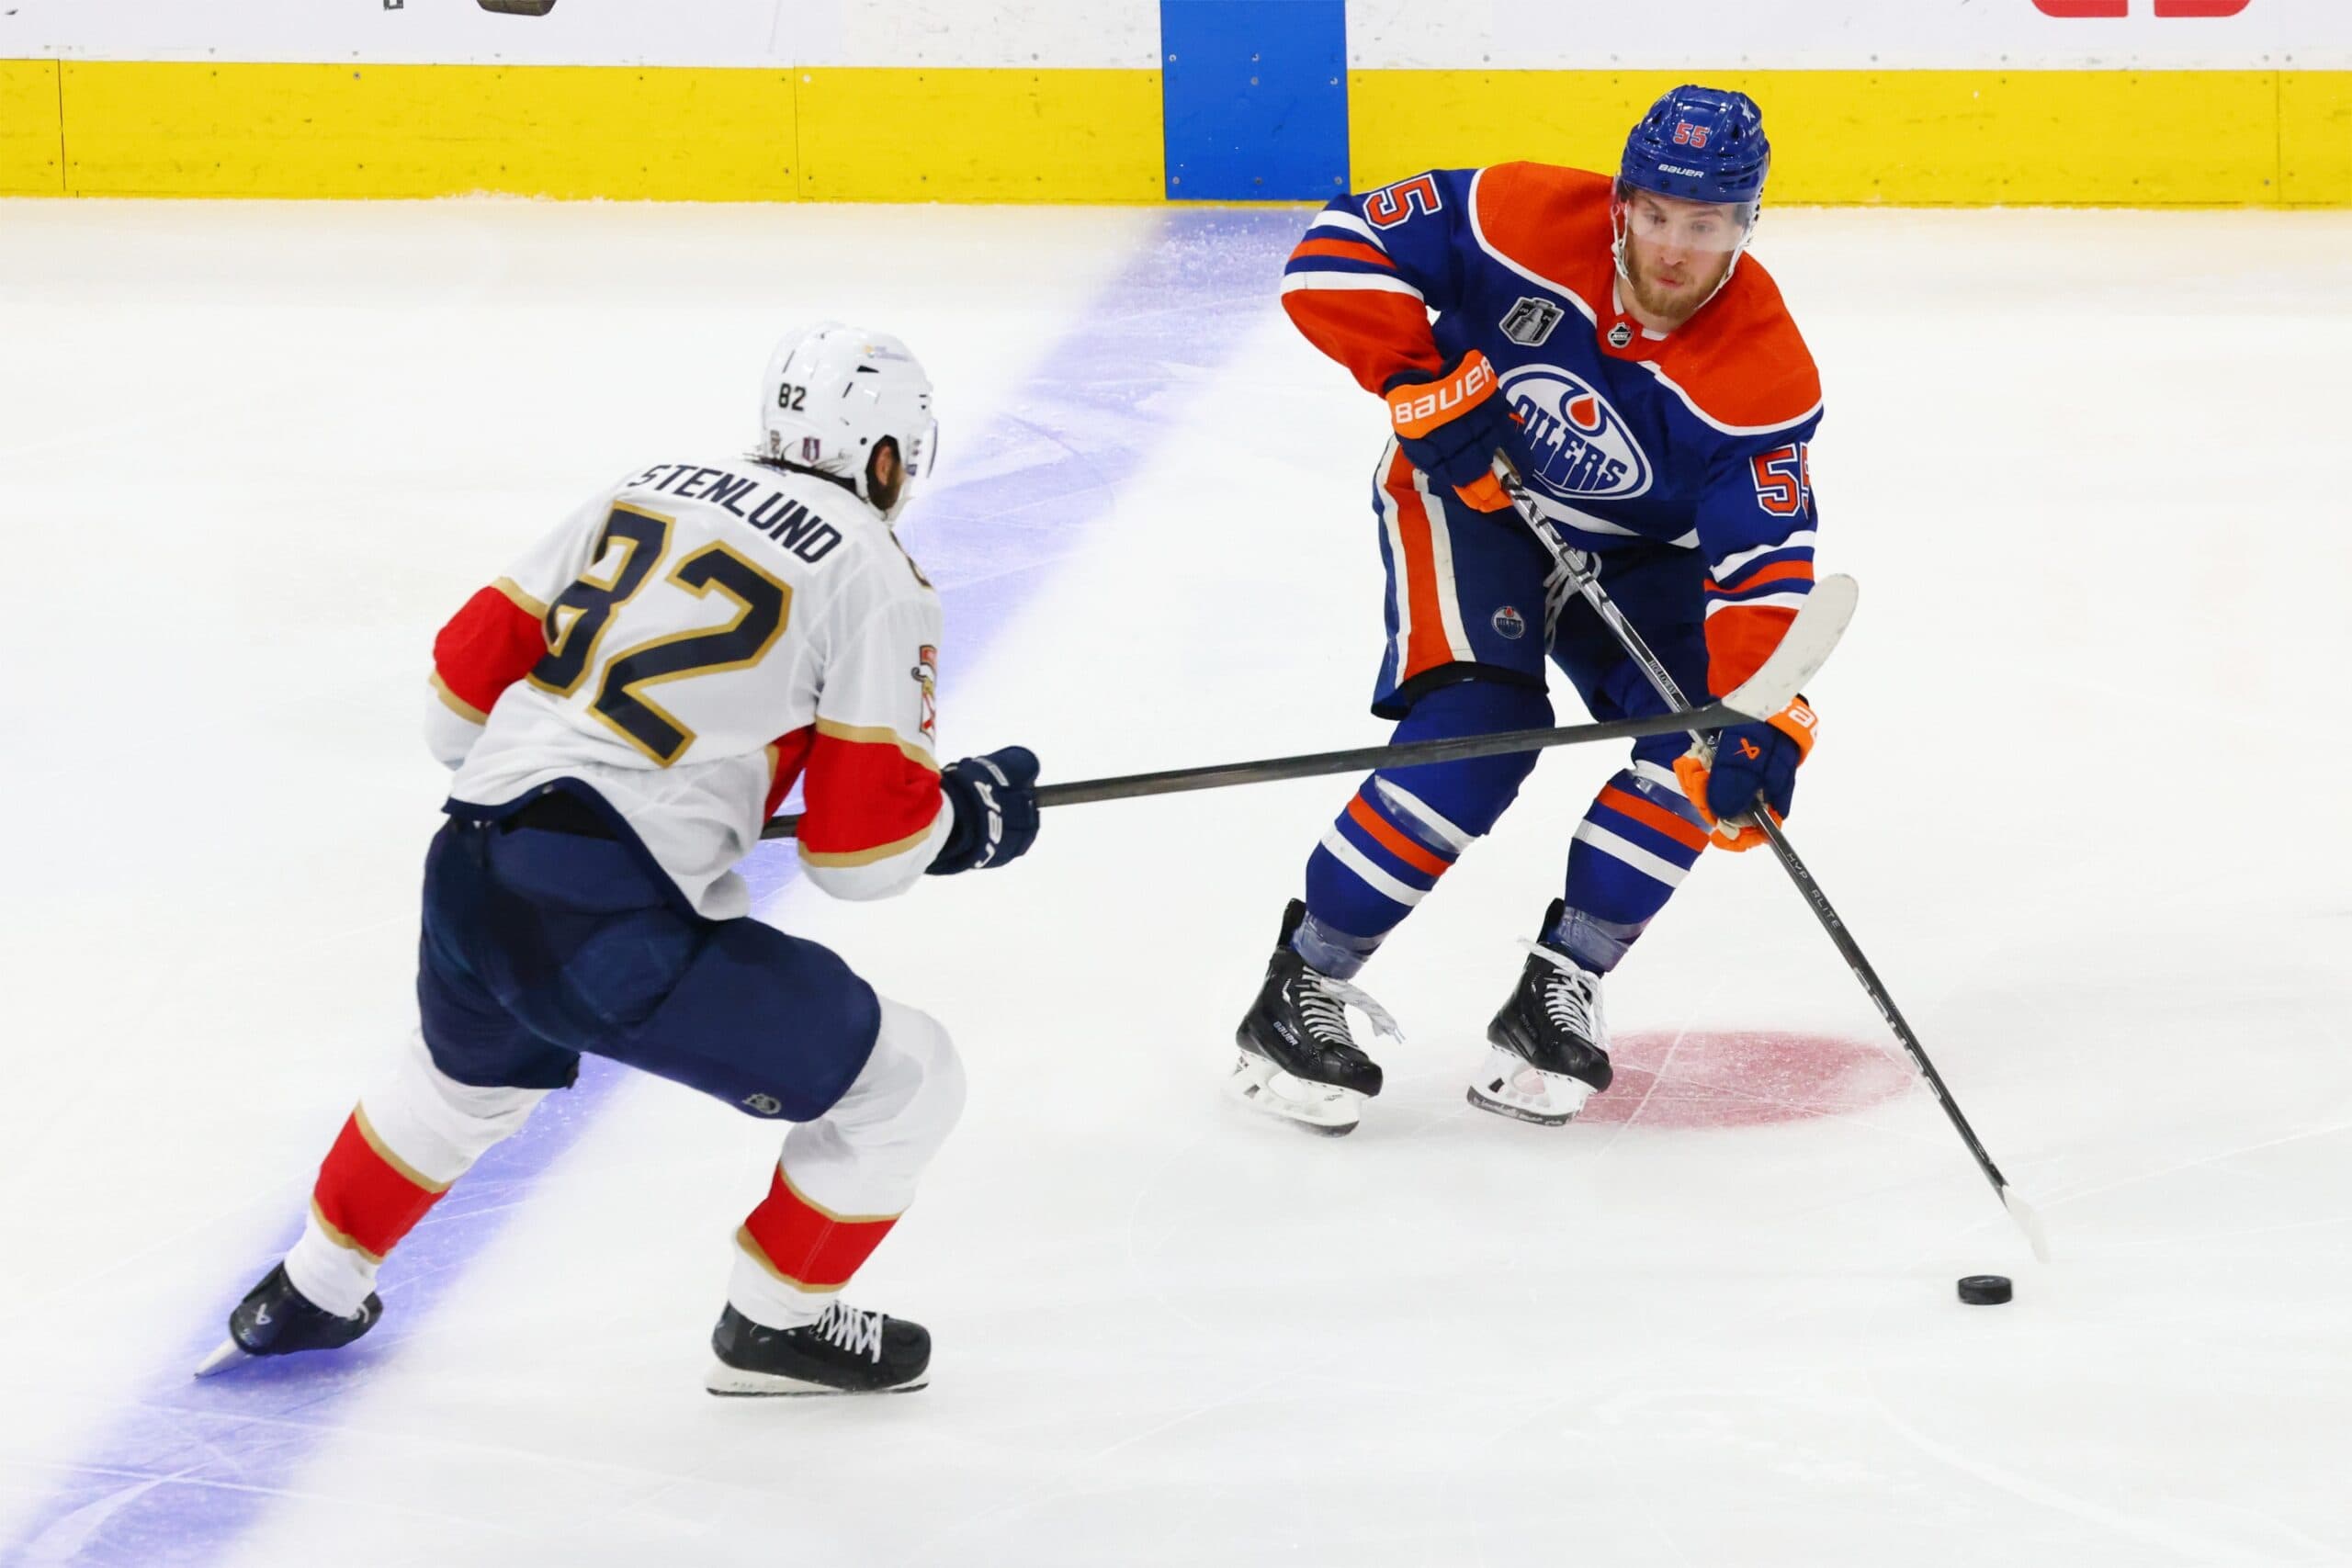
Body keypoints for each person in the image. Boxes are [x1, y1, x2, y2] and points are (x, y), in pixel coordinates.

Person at [199, 323, 1041, 1395]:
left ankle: (308, 1291)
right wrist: (961, 818)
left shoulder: (652, 485)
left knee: (462, 1084)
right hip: (602, 917)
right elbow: (859, 857)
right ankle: (775, 1327)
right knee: (909, 1082)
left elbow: (458, 702)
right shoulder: (877, 574)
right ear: (886, 453)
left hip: (469, 856)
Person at [1233, 86, 1825, 1135]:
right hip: (1473, 500)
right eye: (1653, 215)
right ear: (1621, 201)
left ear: (1747, 224)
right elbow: (1332, 249)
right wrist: (1416, 378)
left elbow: (1761, 574)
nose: (1671, 250)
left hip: (1643, 555)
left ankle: (1560, 986)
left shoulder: (1759, 374)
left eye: (1704, 225)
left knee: (1694, 745)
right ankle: (1302, 984)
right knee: (1480, 734)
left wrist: (1758, 715)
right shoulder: (1516, 216)